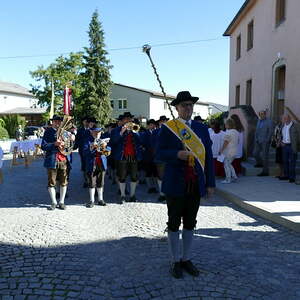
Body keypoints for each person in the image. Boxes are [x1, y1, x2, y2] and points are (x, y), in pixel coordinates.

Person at [157, 91, 215, 279]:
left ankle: (186, 258)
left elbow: (209, 158)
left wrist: (210, 183)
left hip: (195, 183)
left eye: (190, 105)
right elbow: (158, 154)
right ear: (176, 108)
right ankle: (175, 260)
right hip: (175, 183)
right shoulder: (168, 128)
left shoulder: (201, 128)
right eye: (184, 105)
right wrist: (176, 154)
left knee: (190, 222)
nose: (188, 108)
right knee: (174, 223)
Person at [110, 112, 143, 203]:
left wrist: (135, 132)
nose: (128, 120)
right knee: (122, 176)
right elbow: (113, 142)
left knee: (134, 176)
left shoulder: (135, 129)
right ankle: (123, 195)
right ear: (123, 120)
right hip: (122, 156)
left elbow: (141, 141)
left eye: (129, 119)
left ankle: (132, 195)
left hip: (133, 156)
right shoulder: (116, 130)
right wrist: (121, 132)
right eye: (126, 119)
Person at [41, 115, 69, 210]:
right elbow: (43, 146)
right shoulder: (48, 132)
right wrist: (54, 144)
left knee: (63, 182)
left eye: (59, 121)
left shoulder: (64, 132)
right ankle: (53, 202)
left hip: (63, 159)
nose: (57, 123)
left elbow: (71, 146)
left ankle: (61, 202)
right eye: (56, 121)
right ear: (52, 122)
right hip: (52, 159)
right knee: (51, 182)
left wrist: (71, 139)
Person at [83, 124, 111, 207]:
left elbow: (108, 151)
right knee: (92, 182)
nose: (97, 134)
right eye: (95, 132)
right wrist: (92, 147)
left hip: (101, 163)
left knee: (101, 182)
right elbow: (84, 152)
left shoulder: (103, 140)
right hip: (91, 163)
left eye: (98, 132)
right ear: (91, 132)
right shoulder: (87, 140)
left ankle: (100, 199)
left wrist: (105, 147)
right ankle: (91, 200)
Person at [279, 114, 300, 183]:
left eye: (286, 118)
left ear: (289, 118)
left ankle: (292, 177)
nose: (284, 120)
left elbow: (299, 137)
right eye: (283, 118)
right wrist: (281, 141)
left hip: (292, 146)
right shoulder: (283, 126)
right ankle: (286, 175)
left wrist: (297, 145)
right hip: (285, 146)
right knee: (285, 161)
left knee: (292, 162)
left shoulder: (295, 126)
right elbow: (280, 135)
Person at [253, 110, 273, 176]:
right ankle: (260, 163)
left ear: (265, 114)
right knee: (255, 153)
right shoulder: (259, 121)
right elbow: (256, 130)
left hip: (265, 142)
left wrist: (267, 140)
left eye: (262, 114)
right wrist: (256, 138)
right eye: (260, 114)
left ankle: (265, 171)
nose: (261, 115)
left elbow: (270, 131)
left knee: (265, 156)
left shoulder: (269, 121)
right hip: (258, 141)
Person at [140, 119, 158, 193]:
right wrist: (144, 148)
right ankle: (150, 187)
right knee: (148, 173)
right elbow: (142, 143)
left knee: (155, 173)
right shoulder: (145, 133)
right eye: (150, 124)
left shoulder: (157, 133)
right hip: (147, 156)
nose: (152, 125)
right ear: (148, 125)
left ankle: (154, 187)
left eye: (153, 124)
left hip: (155, 156)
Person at [219, 118, 239, 184]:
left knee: (226, 165)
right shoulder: (236, 132)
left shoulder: (228, 133)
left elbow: (226, 142)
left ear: (228, 125)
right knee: (229, 164)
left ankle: (228, 179)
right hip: (235, 151)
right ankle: (234, 176)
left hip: (228, 152)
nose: (225, 125)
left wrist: (221, 150)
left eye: (226, 124)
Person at [74, 116, 89, 187]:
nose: (86, 123)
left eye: (87, 121)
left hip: (91, 152)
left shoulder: (92, 130)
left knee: (90, 166)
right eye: (84, 121)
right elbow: (77, 140)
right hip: (82, 151)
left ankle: (91, 180)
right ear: (83, 122)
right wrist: (73, 147)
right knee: (84, 166)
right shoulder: (80, 130)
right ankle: (86, 180)